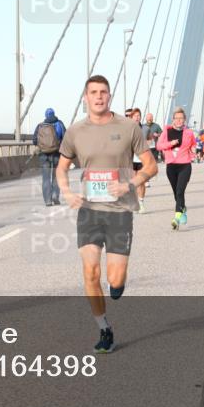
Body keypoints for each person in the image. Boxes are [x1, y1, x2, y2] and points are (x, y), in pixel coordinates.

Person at [57, 76, 157, 353]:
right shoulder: (75, 131)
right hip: (89, 211)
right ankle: (104, 329)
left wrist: (130, 184)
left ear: (109, 96)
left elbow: (150, 166)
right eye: (93, 92)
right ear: (85, 98)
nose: (98, 97)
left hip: (120, 211)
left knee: (114, 279)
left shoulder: (129, 127)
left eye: (103, 92)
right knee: (90, 272)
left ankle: (118, 284)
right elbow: (61, 168)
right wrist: (66, 192)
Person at [157, 107, 197, 229]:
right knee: (176, 193)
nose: (179, 120)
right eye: (177, 118)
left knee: (180, 191)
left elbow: (193, 145)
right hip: (171, 166)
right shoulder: (166, 132)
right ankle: (183, 208)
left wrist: (193, 152)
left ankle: (176, 217)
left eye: (181, 118)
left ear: (185, 120)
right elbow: (159, 146)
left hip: (185, 165)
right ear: (173, 120)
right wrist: (171, 143)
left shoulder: (189, 133)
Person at [33, 107, 66, 206]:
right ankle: (55, 195)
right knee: (56, 176)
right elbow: (66, 139)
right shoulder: (59, 124)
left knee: (46, 178)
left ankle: (47, 200)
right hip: (56, 154)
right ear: (54, 114)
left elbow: (34, 140)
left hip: (44, 155)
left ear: (45, 115)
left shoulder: (40, 126)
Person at [129, 108, 148, 212]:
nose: (137, 117)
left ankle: (141, 203)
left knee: (141, 181)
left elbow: (149, 140)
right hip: (130, 159)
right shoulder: (127, 129)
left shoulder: (145, 129)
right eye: (135, 115)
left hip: (142, 159)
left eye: (139, 115)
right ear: (131, 117)